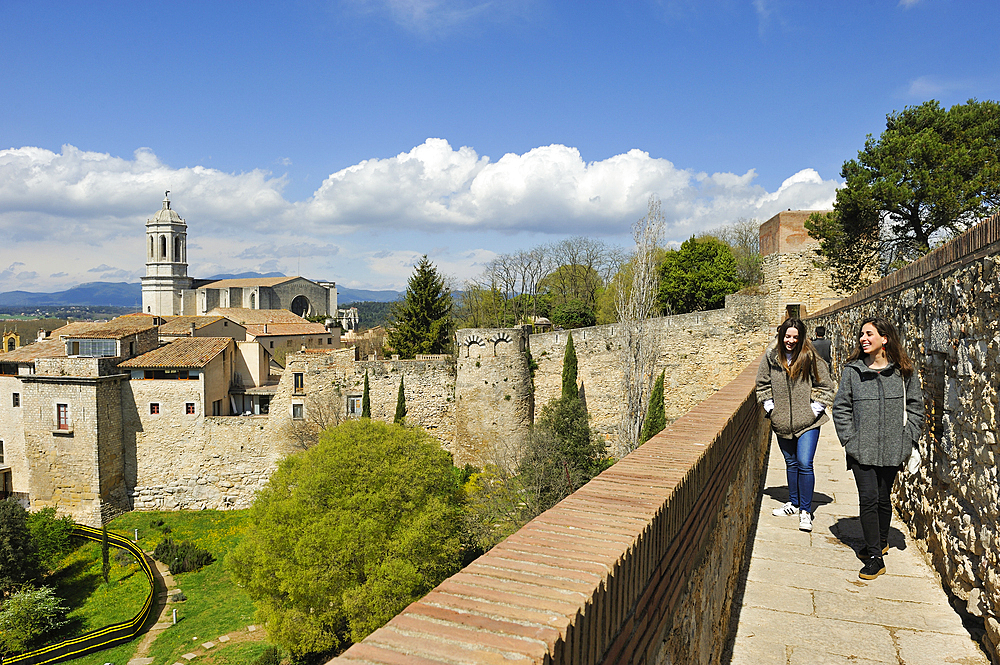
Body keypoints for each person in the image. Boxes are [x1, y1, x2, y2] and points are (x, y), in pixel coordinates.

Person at [832, 316, 923, 580]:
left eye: (869, 334)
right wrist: (850, 439)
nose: (863, 338)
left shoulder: (904, 372)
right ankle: (874, 557)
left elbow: (916, 407)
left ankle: (880, 541)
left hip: (894, 448)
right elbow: (841, 407)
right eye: (862, 334)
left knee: (884, 499)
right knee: (869, 498)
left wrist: (908, 439)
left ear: (885, 338)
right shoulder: (852, 371)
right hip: (861, 449)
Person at [756, 318, 834, 532]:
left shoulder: (810, 357)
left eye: (795, 337)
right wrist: (771, 409)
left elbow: (825, 385)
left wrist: (814, 410)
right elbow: (762, 384)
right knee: (791, 464)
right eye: (787, 336)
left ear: (801, 339)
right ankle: (793, 502)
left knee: (804, 463)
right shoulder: (771, 358)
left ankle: (806, 511)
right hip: (782, 422)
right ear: (781, 337)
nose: (791, 341)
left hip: (808, 422)